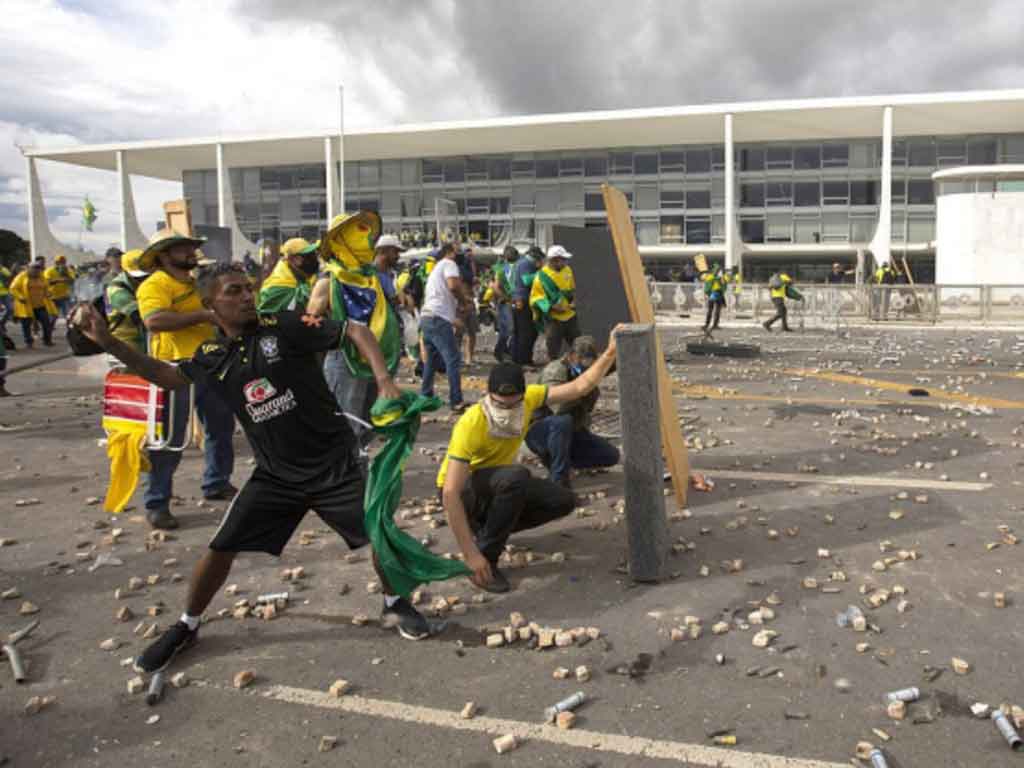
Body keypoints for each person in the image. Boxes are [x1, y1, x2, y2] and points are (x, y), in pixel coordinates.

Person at [72, 264, 431, 674]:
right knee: (220, 548)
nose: (246, 296)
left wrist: (384, 380)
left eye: (248, 288)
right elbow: (165, 375)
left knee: (380, 536)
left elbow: (353, 330)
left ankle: (394, 604)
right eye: (233, 291)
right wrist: (106, 340)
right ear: (210, 305)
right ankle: (187, 625)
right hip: (276, 476)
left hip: (336, 465)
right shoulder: (211, 355)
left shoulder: (286, 324)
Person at [439, 330, 620, 593]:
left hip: (496, 484)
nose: (507, 411)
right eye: (500, 405)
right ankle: (486, 559)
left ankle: (489, 529)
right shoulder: (472, 423)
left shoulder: (532, 397)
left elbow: (580, 386)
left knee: (563, 500)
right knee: (516, 476)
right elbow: (450, 492)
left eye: (514, 405)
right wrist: (470, 555)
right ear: (488, 396)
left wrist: (610, 352)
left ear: (524, 397)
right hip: (464, 492)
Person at [137, 229, 236, 530]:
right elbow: (154, 320)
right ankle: (157, 502)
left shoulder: (195, 283)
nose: (191, 253)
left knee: (221, 426)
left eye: (192, 248)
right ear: (165, 255)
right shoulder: (155, 284)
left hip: (208, 363)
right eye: (183, 249)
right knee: (169, 439)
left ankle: (216, 482)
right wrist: (204, 317)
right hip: (173, 369)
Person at [310, 212, 403, 450]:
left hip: (376, 359)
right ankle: (343, 474)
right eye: (357, 235)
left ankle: (355, 465)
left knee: (368, 422)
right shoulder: (329, 281)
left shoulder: (371, 279)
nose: (366, 242)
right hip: (344, 359)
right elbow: (310, 326)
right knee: (345, 423)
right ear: (341, 241)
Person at [525, 336, 620, 489]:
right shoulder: (555, 371)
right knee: (563, 421)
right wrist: (583, 388)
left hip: (571, 431)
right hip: (542, 430)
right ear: (572, 356)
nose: (587, 367)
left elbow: (607, 366)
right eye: (584, 361)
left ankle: (562, 459)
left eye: (591, 363)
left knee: (610, 456)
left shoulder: (584, 369)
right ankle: (559, 480)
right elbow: (559, 408)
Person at [417, 241, 470, 412]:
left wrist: (454, 317)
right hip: (437, 318)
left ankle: (425, 395)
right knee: (453, 358)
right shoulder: (449, 263)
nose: (460, 254)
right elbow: (453, 286)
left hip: (428, 317)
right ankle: (456, 401)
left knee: (431, 360)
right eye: (458, 251)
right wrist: (463, 301)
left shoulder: (436, 269)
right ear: (449, 252)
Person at [530, 244, 579, 361]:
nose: (566, 262)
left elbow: (571, 289)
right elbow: (536, 299)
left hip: (570, 316)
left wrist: (574, 301)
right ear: (554, 260)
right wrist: (553, 307)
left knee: (577, 345)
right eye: (563, 260)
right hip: (553, 319)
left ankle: (578, 369)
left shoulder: (568, 270)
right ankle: (553, 370)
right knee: (553, 348)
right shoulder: (541, 277)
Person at [104, 250, 151, 354]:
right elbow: (139, 316)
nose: (142, 279)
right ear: (124, 270)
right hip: (126, 342)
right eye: (137, 277)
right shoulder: (116, 289)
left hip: (144, 339)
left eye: (145, 275)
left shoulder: (147, 283)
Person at [257, 237, 320, 314]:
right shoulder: (278, 285)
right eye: (309, 256)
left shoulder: (300, 276)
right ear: (294, 259)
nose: (315, 259)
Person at [10, 263, 55, 348]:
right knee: (26, 325)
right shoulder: (22, 276)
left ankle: (47, 340)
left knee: (46, 323)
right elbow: (13, 288)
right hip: (26, 306)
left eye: (39, 269)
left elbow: (46, 287)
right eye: (34, 268)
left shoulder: (41, 277)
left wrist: (48, 293)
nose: (37, 270)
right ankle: (29, 342)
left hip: (40, 305)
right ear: (29, 268)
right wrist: (20, 297)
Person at [511, 247, 542, 366]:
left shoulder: (520, 263)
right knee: (527, 332)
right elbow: (526, 281)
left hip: (518, 299)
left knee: (519, 332)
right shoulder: (526, 264)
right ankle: (524, 361)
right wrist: (540, 272)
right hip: (523, 300)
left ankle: (518, 359)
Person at [490, 245, 519, 363]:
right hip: (506, 303)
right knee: (508, 329)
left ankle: (503, 352)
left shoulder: (503, 268)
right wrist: (506, 298)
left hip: (507, 302)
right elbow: (495, 287)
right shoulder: (503, 269)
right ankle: (500, 351)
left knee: (506, 330)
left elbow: (495, 287)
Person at [455, 244, 480, 366]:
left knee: (471, 331)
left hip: (469, 300)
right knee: (459, 332)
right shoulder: (458, 268)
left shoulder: (469, 267)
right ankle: (459, 357)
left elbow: (475, 280)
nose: (469, 255)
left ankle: (469, 358)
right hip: (462, 302)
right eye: (467, 253)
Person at [44, 254, 77, 321]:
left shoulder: (68, 270)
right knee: (53, 317)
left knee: (69, 316)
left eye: (63, 262)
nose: (61, 264)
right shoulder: (49, 271)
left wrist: (65, 274)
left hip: (64, 297)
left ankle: (70, 331)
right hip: (52, 297)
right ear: (55, 263)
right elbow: (47, 282)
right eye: (59, 262)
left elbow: (72, 281)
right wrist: (59, 280)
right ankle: (49, 330)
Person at [700, 263, 728, 331]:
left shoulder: (710, 276)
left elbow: (706, 285)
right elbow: (724, 285)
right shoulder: (721, 277)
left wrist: (708, 294)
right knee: (717, 310)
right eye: (719, 270)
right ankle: (714, 325)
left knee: (711, 310)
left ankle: (707, 325)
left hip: (712, 294)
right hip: (717, 294)